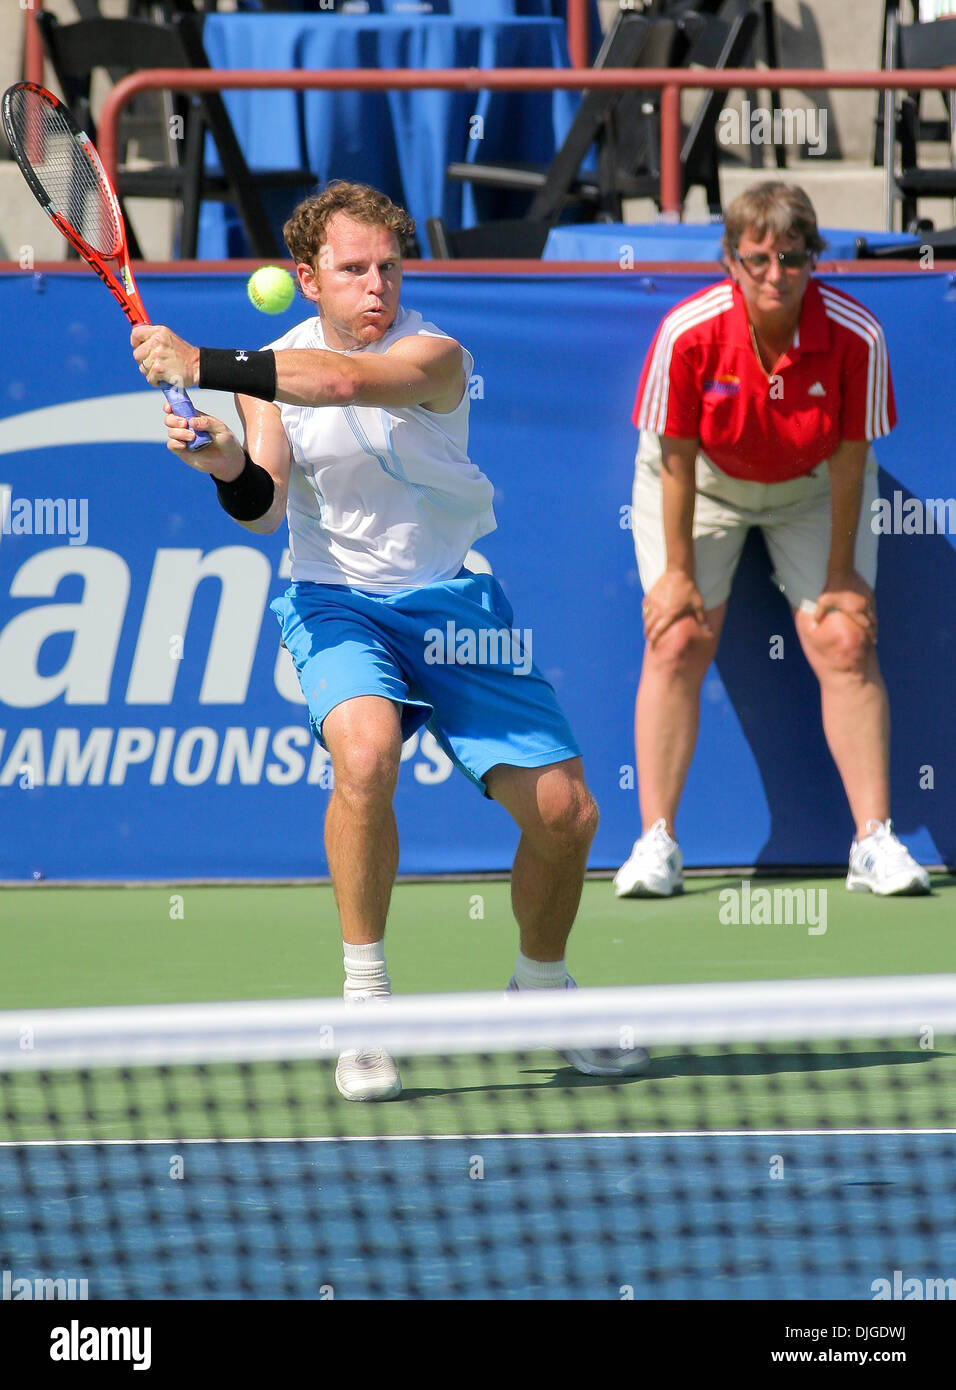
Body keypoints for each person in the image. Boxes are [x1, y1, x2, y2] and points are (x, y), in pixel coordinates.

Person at [130, 181, 647, 1100]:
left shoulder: (434, 351)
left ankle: (541, 988)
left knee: (567, 817)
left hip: (454, 602)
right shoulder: (274, 366)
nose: (377, 287)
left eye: (389, 267)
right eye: (353, 270)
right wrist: (221, 460)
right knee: (364, 757)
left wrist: (200, 359)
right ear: (307, 278)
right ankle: (366, 1006)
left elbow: (342, 383)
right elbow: (265, 504)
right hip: (337, 603)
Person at [615, 182, 930, 900]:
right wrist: (678, 575)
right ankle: (656, 843)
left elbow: (851, 459)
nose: (775, 275)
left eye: (791, 258)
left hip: (812, 488)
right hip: (701, 484)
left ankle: (872, 842)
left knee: (846, 638)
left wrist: (843, 572)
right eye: (757, 259)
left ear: (812, 259)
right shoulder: (687, 334)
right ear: (731, 260)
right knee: (677, 636)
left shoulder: (857, 335)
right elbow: (673, 457)